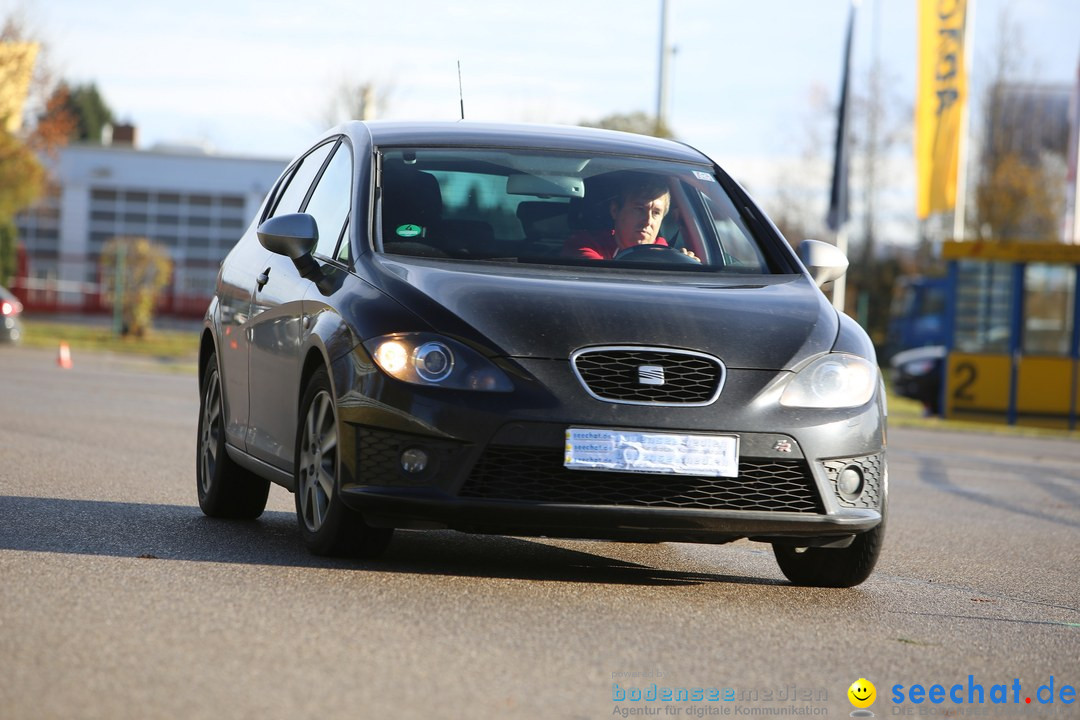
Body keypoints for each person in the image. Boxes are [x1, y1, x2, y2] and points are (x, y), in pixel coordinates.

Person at [561, 174, 696, 261]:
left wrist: (687, 264)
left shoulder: (665, 254)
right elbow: (601, 279)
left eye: (656, 213)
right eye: (639, 209)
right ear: (615, 211)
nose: (648, 221)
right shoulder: (586, 244)